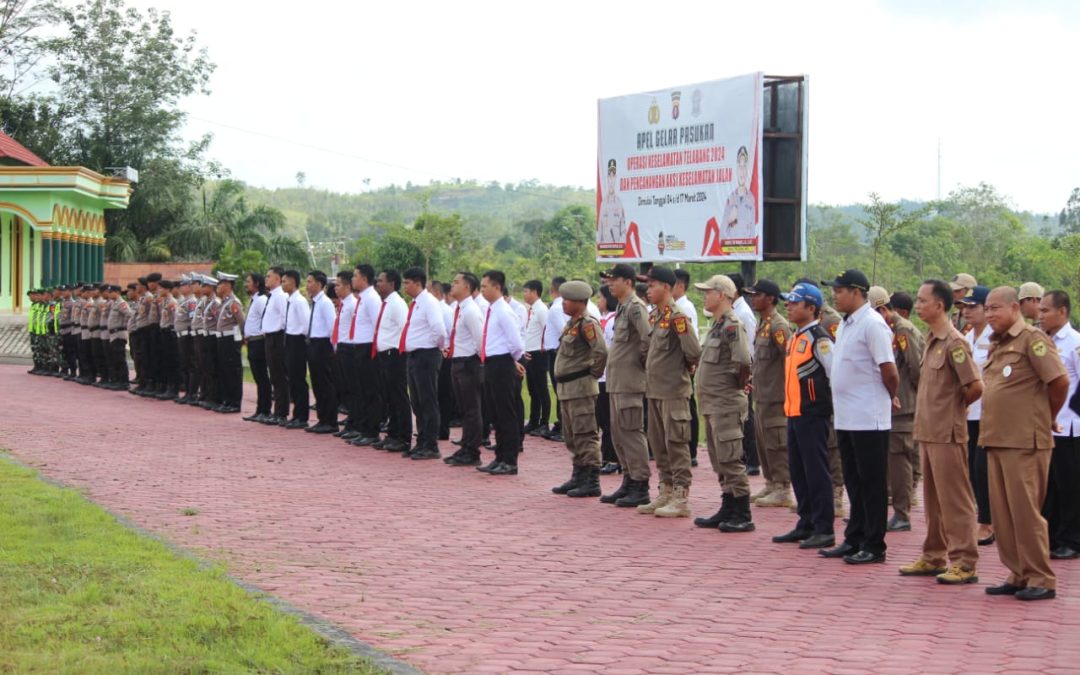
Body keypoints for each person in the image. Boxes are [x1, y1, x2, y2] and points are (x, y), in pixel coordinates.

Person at [981, 286, 1067, 601]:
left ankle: (1041, 578)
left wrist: (1046, 416)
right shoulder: (998, 344)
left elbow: (1059, 382)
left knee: (1026, 512)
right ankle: (1018, 573)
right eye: (986, 309)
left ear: (1015, 308)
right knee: (1003, 514)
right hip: (997, 439)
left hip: (1025, 441)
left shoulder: (1033, 340)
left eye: (995, 308)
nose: (990, 315)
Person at [899, 279, 983, 585]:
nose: (918, 306)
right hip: (928, 432)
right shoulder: (931, 339)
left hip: (947, 433)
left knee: (955, 500)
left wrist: (953, 412)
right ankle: (934, 555)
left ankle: (964, 561)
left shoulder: (954, 342)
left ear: (939, 305)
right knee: (933, 500)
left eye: (923, 301)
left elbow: (974, 386)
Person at [819, 270, 898, 565]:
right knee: (853, 479)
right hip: (847, 416)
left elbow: (888, 369)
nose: (834, 295)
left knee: (872, 483)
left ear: (856, 291)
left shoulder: (873, 324)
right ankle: (855, 537)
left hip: (869, 416)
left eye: (839, 290)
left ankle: (874, 544)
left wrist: (891, 396)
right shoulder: (846, 323)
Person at [772, 282, 837, 550]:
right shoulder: (795, 336)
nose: (788, 306)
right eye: (788, 302)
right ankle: (806, 522)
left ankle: (824, 528)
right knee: (798, 471)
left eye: (795, 303)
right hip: (795, 413)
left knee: (816, 472)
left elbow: (834, 373)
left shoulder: (818, 338)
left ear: (811, 308)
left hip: (813, 413)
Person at [636, 266, 702, 518]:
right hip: (654, 390)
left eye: (652, 285)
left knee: (676, 443)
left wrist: (679, 372)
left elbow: (693, 352)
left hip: (673, 391)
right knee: (659, 444)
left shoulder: (678, 317)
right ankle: (665, 490)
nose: (648, 290)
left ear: (666, 287)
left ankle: (681, 497)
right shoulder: (656, 316)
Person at [692, 274, 754, 532]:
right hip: (712, 403)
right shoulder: (717, 325)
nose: (705, 296)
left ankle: (742, 511)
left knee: (731, 458)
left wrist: (735, 388)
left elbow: (742, 362)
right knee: (720, 460)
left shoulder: (731, 325)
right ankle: (728, 504)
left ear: (722, 295)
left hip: (726, 402)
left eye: (708, 292)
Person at [868, 286, 924, 532]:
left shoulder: (903, 331)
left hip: (904, 408)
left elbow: (916, 370)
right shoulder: (888, 329)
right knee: (891, 461)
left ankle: (902, 514)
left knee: (900, 461)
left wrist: (913, 401)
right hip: (888, 407)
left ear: (882, 310)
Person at [599, 264, 653, 508]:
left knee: (631, 433)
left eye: (615, 280)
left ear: (629, 282)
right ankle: (628, 479)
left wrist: (637, 367)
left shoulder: (635, 308)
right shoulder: (622, 307)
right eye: (608, 280)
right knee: (618, 433)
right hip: (617, 381)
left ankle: (640, 483)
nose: (610, 284)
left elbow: (647, 341)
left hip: (630, 382)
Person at [550, 280, 608, 497]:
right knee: (572, 434)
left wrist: (592, 373)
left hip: (581, 387)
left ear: (580, 302)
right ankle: (578, 474)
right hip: (567, 388)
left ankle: (591, 479)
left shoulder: (587, 323)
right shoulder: (572, 323)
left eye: (568, 300)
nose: (563, 304)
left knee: (585, 433)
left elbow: (601, 351)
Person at [1038, 291, 1080, 561]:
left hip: (1069, 427)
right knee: (1049, 486)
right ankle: (1051, 537)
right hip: (1046, 426)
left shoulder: (1074, 342)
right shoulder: (1042, 341)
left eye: (1045, 310)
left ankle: (1072, 540)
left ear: (1062, 312)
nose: (1040, 316)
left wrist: (1070, 417)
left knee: (1070, 486)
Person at [745, 279, 794, 508]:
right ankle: (771, 482)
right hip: (762, 395)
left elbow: (790, 360)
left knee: (777, 442)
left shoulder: (779, 326)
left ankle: (783, 486)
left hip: (776, 396)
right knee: (763, 442)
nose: (753, 298)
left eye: (758, 295)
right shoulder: (763, 324)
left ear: (770, 299)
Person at [476, 270, 526, 475]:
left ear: (497, 287)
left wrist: (510, 360)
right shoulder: (492, 309)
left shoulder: (504, 311)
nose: (482, 290)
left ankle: (510, 460)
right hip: (491, 362)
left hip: (502, 363)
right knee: (495, 413)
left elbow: (516, 343)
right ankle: (500, 456)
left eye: (485, 286)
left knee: (506, 413)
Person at [959, 285, 995, 544]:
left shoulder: (996, 337)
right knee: (972, 468)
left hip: (990, 413)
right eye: (965, 306)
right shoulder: (967, 337)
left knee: (984, 469)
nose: (967, 311)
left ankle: (988, 522)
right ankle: (984, 517)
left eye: (973, 306)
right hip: (968, 412)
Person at [399, 267, 447, 459]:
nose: (405, 286)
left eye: (407, 283)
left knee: (428, 400)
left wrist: (435, 349)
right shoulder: (416, 303)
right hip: (414, 356)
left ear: (418, 283)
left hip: (427, 355)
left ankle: (431, 444)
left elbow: (439, 331)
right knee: (417, 401)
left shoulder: (429, 303)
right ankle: (422, 440)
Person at [443, 272, 485, 466]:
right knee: (463, 408)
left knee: (472, 409)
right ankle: (466, 446)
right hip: (458, 361)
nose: (452, 285)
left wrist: (476, 362)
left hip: (468, 363)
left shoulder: (471, 311)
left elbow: (480, 340)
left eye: (456, 282)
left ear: (467, 287)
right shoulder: (459, 309)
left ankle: (472, 450)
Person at [344, 264, 384, 447]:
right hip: (359, 347)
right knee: (361, 390)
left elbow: (378, 325)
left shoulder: (371, 299)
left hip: (369, 348)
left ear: (364, 279)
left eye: (355, 276)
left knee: (371, 391)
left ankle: (372, 431)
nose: (352, 279)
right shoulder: (362, 298)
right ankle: (363, 428)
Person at [372, 269, 411, 453]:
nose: (378, 284)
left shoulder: (397, 304)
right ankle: (392, 434)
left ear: (392, 284)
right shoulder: (386, 303)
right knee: (389, 397)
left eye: (381, 281)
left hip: (394, 355)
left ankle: (403, 437)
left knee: (398, 396)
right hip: (384, 355)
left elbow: (404, 328)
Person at [729, 273, 760, 476]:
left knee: (746, 414)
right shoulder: (734, 310)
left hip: (744, 369)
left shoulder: (743, 313)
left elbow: (748, 346)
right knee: (739, 415)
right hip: (735, 369)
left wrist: (747, 373)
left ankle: (753, 459)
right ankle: (743, 455)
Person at [303, 271, 338, 433]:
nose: (307, 284)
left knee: (326, 384)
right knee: (317, 383)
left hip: (323, 345)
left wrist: (332, 349)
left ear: (319, 284)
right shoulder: (314, 303)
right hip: (313, 344)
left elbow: (332, 327)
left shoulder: (325, 303)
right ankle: (322, 418)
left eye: (310, 281)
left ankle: (330, 421)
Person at [673, 268, 701, 468]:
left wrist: (690, 363)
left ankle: (691, 451)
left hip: (685, 365)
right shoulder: (675, 307)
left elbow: (690, 340)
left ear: (680, 286)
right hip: (677, 365)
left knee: (688, 408)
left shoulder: (685, 308)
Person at [282, 269, 311, 429]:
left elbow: (306, 325)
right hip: (290, 339)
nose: (283, 284)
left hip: (298, 341)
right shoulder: (290, 300)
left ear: (293, 282)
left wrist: (302, 342)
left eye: (285, 281)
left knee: (298, 378)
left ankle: (302, 416)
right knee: (292, 377)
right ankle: (296, 414)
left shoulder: (299, 301)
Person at [522, 279, 551, 436]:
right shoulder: (532, 309)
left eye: (526, 291)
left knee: (542, 389)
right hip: (530, 354)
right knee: (533, 390)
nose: (524, 294)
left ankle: (544, 422)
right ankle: (533, 421)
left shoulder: (541, 310)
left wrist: (542, 350)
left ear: (534, 292)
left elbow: (548, 330)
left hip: (539, 354)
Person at [262, 267, 290, 425]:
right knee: (274, 375)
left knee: (279, 376)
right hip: (270, 337)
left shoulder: (280, 296)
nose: (266, 279)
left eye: (269, 276)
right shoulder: (272, 296)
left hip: (277, 337)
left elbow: (285, 319)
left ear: (278, 279)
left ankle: (281, 412)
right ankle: (277, 410)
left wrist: (279, 335)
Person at [595, 284, 619, 474]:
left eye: (600, 298)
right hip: (601, 376)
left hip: (608, 376)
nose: (598, 301)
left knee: (609, 420)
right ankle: (606, 455)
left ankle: (612, 458)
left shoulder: (612, 322)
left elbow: (612, 349)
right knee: (603, 418)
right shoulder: (604, 320)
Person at [242, 272, 272, 422]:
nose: (246, 284)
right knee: (258, 378)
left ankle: (265, 410)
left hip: (258, 341)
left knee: (262, 378)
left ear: (256, 284)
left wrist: (259, 337)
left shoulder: (261, 300)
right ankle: (260, 409)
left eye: (248, 281)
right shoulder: (255, 300)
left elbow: (265, 321)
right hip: (252, 342)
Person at [214, 272, 245, 414]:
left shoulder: (233, 302)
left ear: (227, 285)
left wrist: (241, 339)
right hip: (222, 339)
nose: (218, 287)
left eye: (220, 284)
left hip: (231, 340)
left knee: (233, 371)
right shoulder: (224, 302)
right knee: (225, 370)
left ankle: (235, 402)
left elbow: (241, 322)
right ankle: (227, 400)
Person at [543, 276, 568, 442]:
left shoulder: (557, 307)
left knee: (561, 391)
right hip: (556, 351)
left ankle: (563, 426)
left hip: (558, 352)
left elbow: (563, 330)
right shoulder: (562, 306)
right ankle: (562, 425)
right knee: (560, 391)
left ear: (554, 290)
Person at [199, 276, 222, 410]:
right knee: (206, 367)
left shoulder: (215, 303)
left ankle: (214, 397)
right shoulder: (207, 302)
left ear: (211, 288)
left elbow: (219, 321)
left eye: (205, 286)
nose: (202, 288)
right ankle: (207, 395)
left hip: (212, 337)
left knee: (213, 368)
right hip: (205, 336)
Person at [173, 277, 196, 403]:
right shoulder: (184, 302)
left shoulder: (191, 302)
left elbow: (192, 319)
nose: (181, 288)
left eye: (183, 285)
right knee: (184, 364)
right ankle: (187, 391)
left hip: (187, 335)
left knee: (190, 365)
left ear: (189, 287)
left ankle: (191, 393)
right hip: (181, 335)